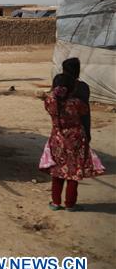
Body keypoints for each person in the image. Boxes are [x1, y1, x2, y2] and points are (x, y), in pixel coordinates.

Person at [40, 73, 104, 211]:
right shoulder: (76, 103)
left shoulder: (50, 102)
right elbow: (85, 111)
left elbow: (49, 103)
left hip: (57, 139)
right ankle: (70, 204)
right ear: (72, 87)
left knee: (57, 171)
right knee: (73, 172)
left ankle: (55, 202)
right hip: (75, 139)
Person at [62, 57, 91, 142]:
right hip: (79, 130)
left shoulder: (61, 88)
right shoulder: (83, 87)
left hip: (62, 131)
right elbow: (85, 113)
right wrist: (87, 131)